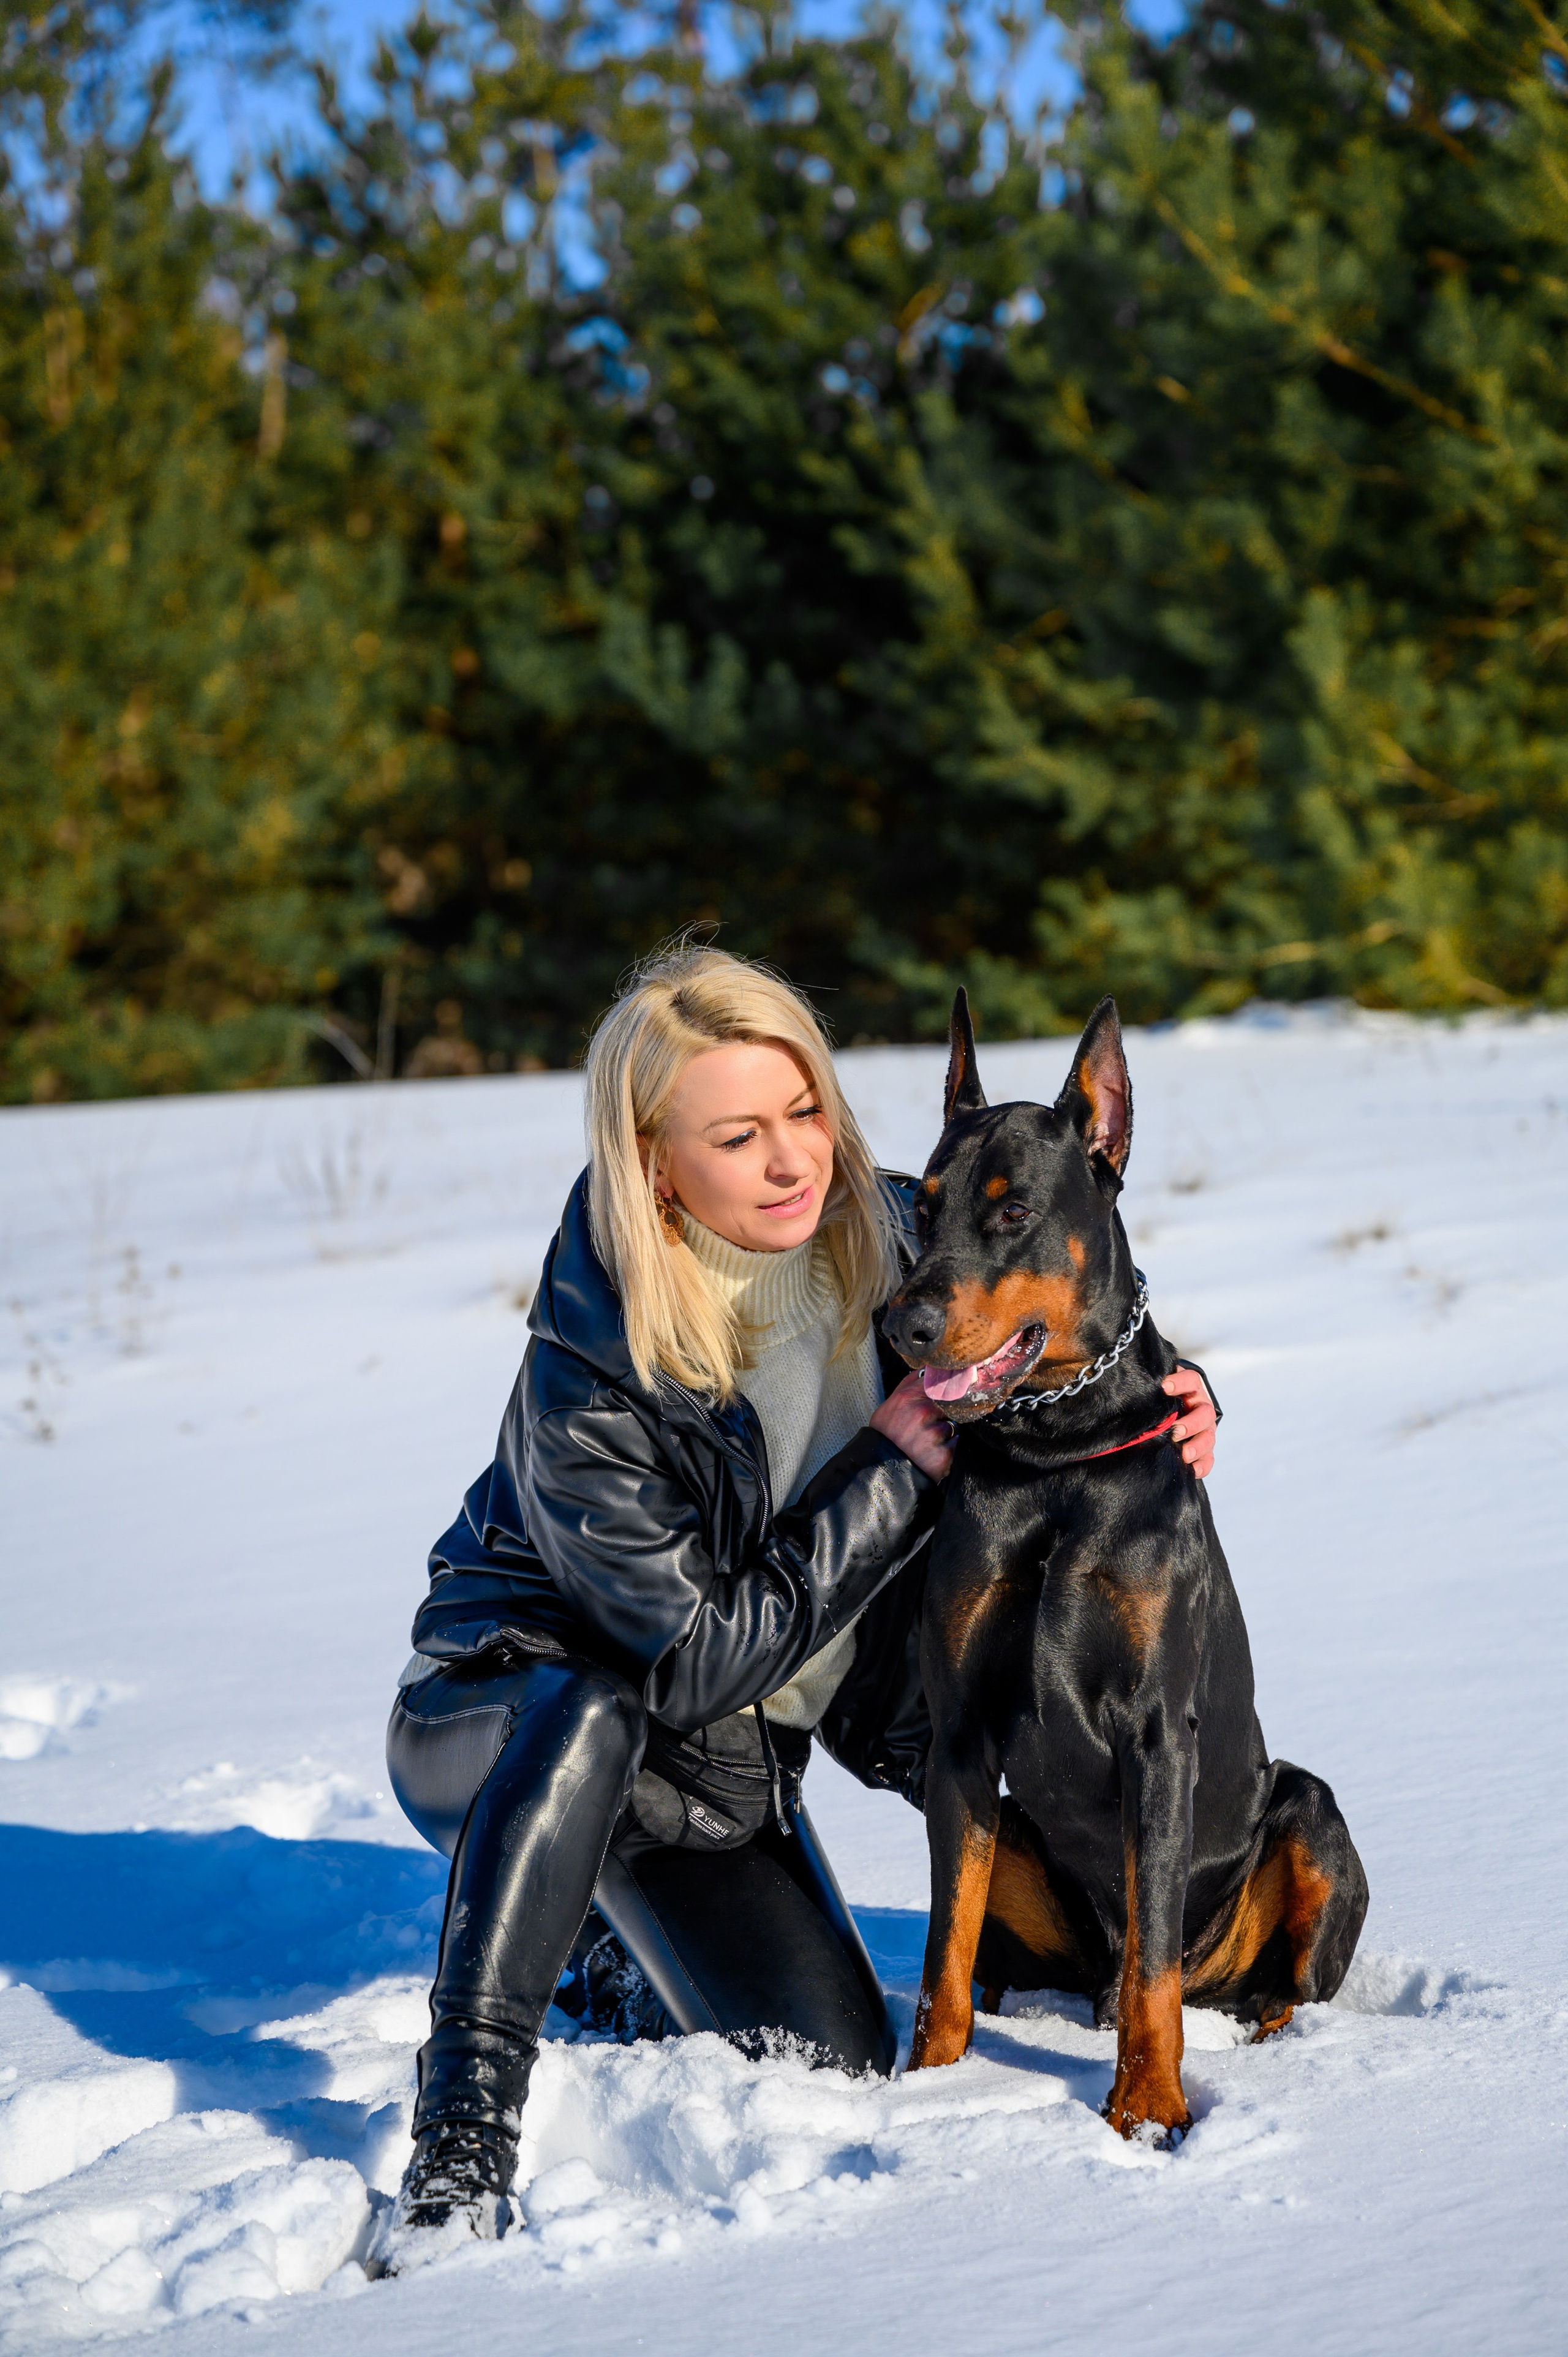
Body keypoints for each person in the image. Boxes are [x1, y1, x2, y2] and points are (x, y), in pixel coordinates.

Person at [373, 945, 1218, 2266]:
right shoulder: (588, 1369)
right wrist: (888, 1462)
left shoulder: (895, 1233)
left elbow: (1055, 1279)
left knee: (828, 2054)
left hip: (708, 1776)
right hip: (506, 1718)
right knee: (591, 1704)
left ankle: (602, 1943)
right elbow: (696, 1655)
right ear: (652, 1162)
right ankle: (463, 2131)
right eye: (736, 1134)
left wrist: (1172, 1389)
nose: (789, 1161)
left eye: (804, 1111)